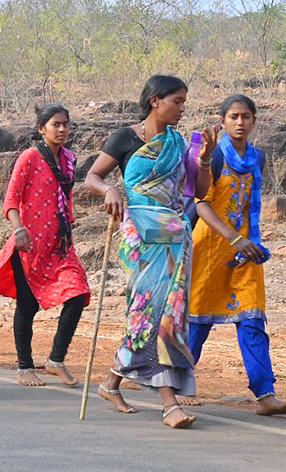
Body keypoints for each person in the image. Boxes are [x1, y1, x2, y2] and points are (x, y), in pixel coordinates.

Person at [85, 75, 216, 429]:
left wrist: (204, 160)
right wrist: (109, 190)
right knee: (152, 310)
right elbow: (92, 177)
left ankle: (112, 381)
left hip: (174, 236)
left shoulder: (180, 143)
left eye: (184, 101)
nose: (182, 108)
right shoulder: (125, 138)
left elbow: (199, 191)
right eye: (177, 100)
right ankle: (169, 403)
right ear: (155, 100)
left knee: (163, 311)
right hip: (140, 234)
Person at [185, 94, 285, 416]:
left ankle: (265, 395)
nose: (240, 122)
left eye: (246, 116)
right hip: (212, 248)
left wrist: (245, 242)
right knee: (197, 323)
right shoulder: (213, 156)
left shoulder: (258, 157)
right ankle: (177, 385)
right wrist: (233, 238)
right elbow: (201, 203)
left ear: (254, 120)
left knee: (252, 319)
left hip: (247, 250)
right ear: (223, 121)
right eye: (233, 117)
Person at [0, 104, 91, 387]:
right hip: (29, 243)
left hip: (60, 245)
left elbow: (64, 196)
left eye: (66, 124)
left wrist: (69, 219)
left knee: (79, 294)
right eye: (56, 124)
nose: (63, 129)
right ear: (42, 128)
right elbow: (11, 198)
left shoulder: (69, 159)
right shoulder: (30, 157)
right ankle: (24, 367)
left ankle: (56, 359)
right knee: (28, 305)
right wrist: (18, 228)